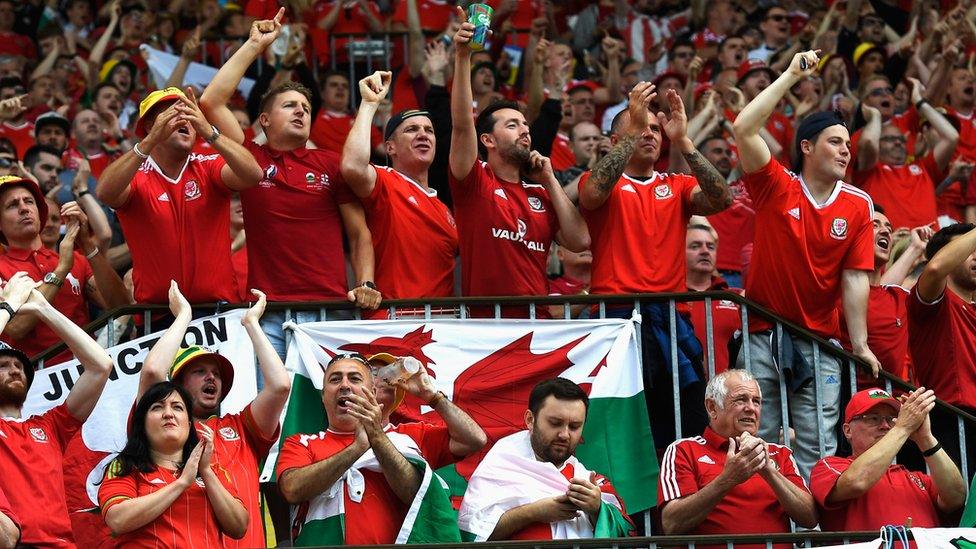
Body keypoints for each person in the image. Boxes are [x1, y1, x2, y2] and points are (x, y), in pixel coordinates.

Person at [731, 50, 879, 477]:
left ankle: (814, 538)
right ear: (807, 147)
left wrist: (861, 343)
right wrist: (791, 75)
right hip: (761, 333)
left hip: (819, 342)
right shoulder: (776, 185)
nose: (845, 152)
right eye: (835, 142)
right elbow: (743, 126)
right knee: (761, 439)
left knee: (818, 446)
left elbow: (854, 279)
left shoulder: (858, 204)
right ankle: (768, 533)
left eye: (849, 145)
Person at [199, 10, 381, 357]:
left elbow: (359, 232)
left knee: (334, 409)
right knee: (272, 409)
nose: (301, 111)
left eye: (306, 108)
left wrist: (367, 282)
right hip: (269, 313)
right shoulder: (250, 158)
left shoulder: (330, 163)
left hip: (331, 311)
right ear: (264, 119)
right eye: (290, 106)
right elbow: (211, 102)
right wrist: (254, 45)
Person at [579, 80, 732, 447]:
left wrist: (684, 142)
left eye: (653, 129)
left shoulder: (676, 185)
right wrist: (631, 130)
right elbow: (592, 193)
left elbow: (721, 198)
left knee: (683, 416)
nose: (649, 134)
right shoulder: (602, 182)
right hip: (617, 317)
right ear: (618, 141)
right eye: (638, 128)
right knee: (626, 422)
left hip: (669, 317)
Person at [448, 6, 589, 315]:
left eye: (525, 125)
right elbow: (461, 124)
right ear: (488, 140)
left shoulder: (540, 193)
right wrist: (462, 57)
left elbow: (579, 241)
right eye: (512, 125)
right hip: (487, 329)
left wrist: (551, 180)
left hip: (538, 330)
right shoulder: (473, 181)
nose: (525, 130)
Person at [136, 281, 290, 549]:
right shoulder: (162, 426)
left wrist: (252, 324)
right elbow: (151, 373)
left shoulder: (241, 427)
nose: (211, 377)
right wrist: (183, 315)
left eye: (217, 374)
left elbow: (280, 386)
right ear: (178, 384)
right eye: (199, 371)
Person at [97, 86, 263, 304]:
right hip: (157, 315)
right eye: (173, 114)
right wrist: (149, 141)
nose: (183, 119)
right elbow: (105, 193)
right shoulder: (135, 176)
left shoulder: (208, 165)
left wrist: (209, 131)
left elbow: (254, 174)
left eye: (189, 114)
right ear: (149, 126)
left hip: (217, 312)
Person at [276, 353, 459, 545]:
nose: (345, 385)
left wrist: (376, 437)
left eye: (354, 378)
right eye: (335, 379)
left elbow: (414, 492)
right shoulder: (301, 442)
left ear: (372, 391)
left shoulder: (402, 440)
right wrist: (358, 447)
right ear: (323, 396)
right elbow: (292, 489)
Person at [0, 275, 114, 547]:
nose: (15, 369)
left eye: (19, 367)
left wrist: (43, 308)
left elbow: (101, 366)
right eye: (3, 366)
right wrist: (9, 306)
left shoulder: (50, 425)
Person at [458, 378, 632, 541]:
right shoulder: (499, 466)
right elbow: (471, 533)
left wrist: (597, 510)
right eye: (555, 423)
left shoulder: (589, 480)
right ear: (530, 419)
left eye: (574, 426)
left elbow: (628, 533)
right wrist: (533, 512)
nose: (564, 435)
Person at [658, 370, 817, 544]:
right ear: (712, 408)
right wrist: (728, 479)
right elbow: (671, 524)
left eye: (756, 401)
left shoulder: (779, 453)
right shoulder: (684, 450)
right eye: (740, 400)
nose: (751, 408)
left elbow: (810, 518)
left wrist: (769, 471)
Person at [341, 72, 458, 302]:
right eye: (411, 130)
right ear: (390, 148)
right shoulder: (385, 180)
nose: (423, 135)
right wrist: (369, 104)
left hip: (443, 327)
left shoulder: (445, 208)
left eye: (429, 130)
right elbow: (352, 166)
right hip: (396, 322)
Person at [98, 382, 248, 545]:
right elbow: (118, 520)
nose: (168, 414)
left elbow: (239, 527)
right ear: (142, 425)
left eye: (177, 407)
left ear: (189, 425)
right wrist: (182, 483)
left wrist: (205, 471)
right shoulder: (125, 465)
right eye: (157, 407)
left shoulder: (213, 471)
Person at [0, 176, 128, 359]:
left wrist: (86, 245)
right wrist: (61, 270)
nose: (24, 208)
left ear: (39, 212)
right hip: (35, 382)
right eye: (12, 205)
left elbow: (121, 305)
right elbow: (16, 328)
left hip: (90, 374)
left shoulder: (75, 259)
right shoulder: (64, 261)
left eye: (29, 201)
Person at [809, 387, 965, 531]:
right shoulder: (828, 466)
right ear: (848, 430)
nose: (885, 425)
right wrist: (902, 428)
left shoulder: (917, 478)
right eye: (873, 418)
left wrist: (925, 438)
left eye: (891, 419)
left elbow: (956, 498)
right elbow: (857, 482)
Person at [908, 223, 976, 475]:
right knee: (957, 511)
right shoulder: (935, 303)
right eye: (968, 249)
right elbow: (936, 269)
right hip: (949, 419)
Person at [839, 208, 931, 387]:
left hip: (893, 405)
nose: (886, 230)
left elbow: (880, 289)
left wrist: (916, 247)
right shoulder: (837, 290)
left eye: (889, 227)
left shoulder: (897, 296)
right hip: (850, 403)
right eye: (875, 225)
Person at [854, 80, 959, 230]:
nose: (897, 143)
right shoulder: (870, 172)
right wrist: (875, 117)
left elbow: (951, 137)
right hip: (892, 246)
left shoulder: (924, 168)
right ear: (879, 145)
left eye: (901, 139)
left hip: (929, 248)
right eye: (890, 139)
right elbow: (869, 141)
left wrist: (919, 102)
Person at [367, 352, 486, 466]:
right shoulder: (348, 432)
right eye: (373, 372)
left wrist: (431, 395)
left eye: (391, 371)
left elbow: (474, 440)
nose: (386, 376)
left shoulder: (414, 436)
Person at [685, 223, 742, 376]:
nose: (705, 251)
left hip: (727, 395)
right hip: (679, 393)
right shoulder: (666, 299)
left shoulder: (737, 299)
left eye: (710, 247)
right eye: (695, 246)